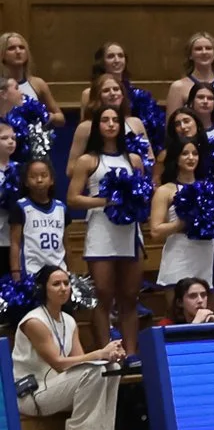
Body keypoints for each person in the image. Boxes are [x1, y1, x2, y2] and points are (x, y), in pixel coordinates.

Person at [16, 266, 123, 430]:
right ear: (44, 289)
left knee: (111, 368)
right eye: (56, 284)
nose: (63, 288)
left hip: (58, 388)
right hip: (32, 394)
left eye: (66, 283)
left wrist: (108, 356)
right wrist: (99, 353)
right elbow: (59, 363)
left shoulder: (69, 320)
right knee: (94, 372)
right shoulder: (34, 322)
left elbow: (81, 363)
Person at [67, 105, 144, 345]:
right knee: (103, 294)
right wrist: (106, 201)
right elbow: (72, 198)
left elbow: (143, 192)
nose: (110, 124)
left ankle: (131, 354)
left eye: (115, 120)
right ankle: (106, 352)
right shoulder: (88, 160)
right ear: (97, 126)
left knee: (130, 296)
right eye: (105, 120)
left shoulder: (134, 159)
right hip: (101, 229)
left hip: (129, 231)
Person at [147, 135, 214, 300]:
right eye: (185, 154)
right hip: (179, 256)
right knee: (177, 313)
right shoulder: (165, 191)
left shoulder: (211, 188)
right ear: (176, 157)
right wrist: (182, 223)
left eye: (195, 153)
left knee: (206, 316)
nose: (191, 158)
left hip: (207, 256)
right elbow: (155, 231)